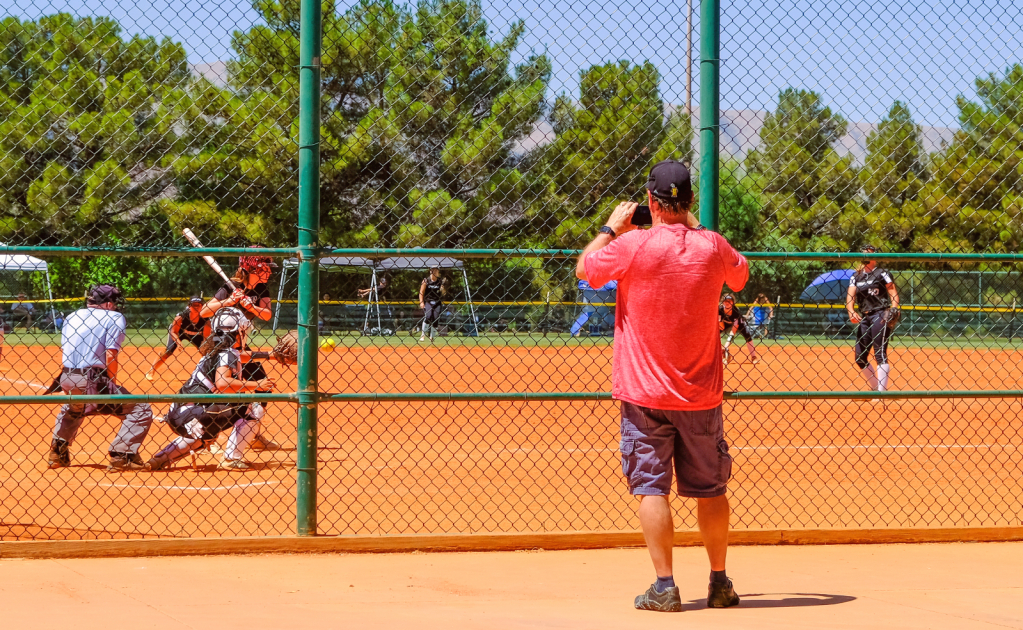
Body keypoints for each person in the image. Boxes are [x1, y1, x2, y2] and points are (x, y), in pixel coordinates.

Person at [576, 159, 748, 612]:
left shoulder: (633, 243)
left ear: (650, 203)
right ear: (689, 202)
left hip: (644, 395)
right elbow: (741, 276)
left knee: (652, 487)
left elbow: (585, 269)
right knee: (711, 489)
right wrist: (692, 224)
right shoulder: (713, 245)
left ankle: (665, 587)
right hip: (701, 395)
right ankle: (719, 582)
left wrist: (611, 227)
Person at [146, 308, 275, 471]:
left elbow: (242, 356)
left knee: (204, 435)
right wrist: (256, 385)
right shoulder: (227, 353)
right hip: (192, 414)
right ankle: (231, 459)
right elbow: (222, 383)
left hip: (180, 414)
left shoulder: (215, 351)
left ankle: (161, 458)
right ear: (238, 332)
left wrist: (270, 355)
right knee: (253, 408)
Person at [47, 284, 155, 471]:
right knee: (140, 408)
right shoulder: (113, 317)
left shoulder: (72, 316)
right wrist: (111, 383)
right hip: (93, 378)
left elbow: (66, 348)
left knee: (74, 407)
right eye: (113, 302)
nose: (115, 306)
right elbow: (110, 355)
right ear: (106, 303)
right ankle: (122, 455)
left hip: (66, 376)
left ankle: (57, 452)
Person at [200, 250, 278, 450]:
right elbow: (204, 311)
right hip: (222, 344)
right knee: (220, 388)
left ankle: (251, 433)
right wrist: (229, 301)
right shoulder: (230, 286)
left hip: (240, 346)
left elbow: (267, 315)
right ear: (252, 269)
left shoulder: (262, 289)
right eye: (265, 268)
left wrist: (250, 307)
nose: (269, 272)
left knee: (263, 387)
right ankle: (208, 437)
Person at [847, 245, 900, 393]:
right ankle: (876, 387)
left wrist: (894, 308)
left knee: (879, 353)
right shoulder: (856, 276)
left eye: (869, 251)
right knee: (860, 357)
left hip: (880, 314)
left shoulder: (882, 273)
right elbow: (851, 295)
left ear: (874, 256)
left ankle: (882, 393)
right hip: (865, 316)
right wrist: (851, 310)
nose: (865, 253)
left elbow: (892, 291)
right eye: (863, 251)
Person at [145, 296, 210, 380]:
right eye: (194, 305)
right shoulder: (181, 316)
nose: (196, 307)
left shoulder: (206, 319)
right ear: (189, 306)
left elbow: (206, 337)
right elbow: (173, 331)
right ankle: (151, 372)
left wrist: (204, 348)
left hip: (196, 334)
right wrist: (179, 343)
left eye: (199, 305)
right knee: (168, 351)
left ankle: (209, 374)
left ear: (203, 306)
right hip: (179, 332)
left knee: (207, 353)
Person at [719, 294, 759, 366]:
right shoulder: (719, 310)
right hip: (725, 323)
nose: (727, 303)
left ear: (733, 303)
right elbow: (721, 327)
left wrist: (726, 345)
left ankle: (753, 357)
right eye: (725, 301)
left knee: (747, 335)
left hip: (739, 323)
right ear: (722, 302)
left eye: (729, 301)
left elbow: (733, 331)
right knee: (714, 334)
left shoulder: (736, 312)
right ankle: (721, 353)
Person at [419, 267, 447, 342]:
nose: (435, 272)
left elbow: (444, 293)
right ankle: (423, 335)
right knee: (428, 316)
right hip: (428, 301)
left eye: (436, 271)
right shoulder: (426, 281)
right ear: (430, 271)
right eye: (433, 270)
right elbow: (421, 292)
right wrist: (421, 302)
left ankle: (432, 337)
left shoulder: (439, 281)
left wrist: (442, 289)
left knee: (435, 318)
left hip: (437, 302)